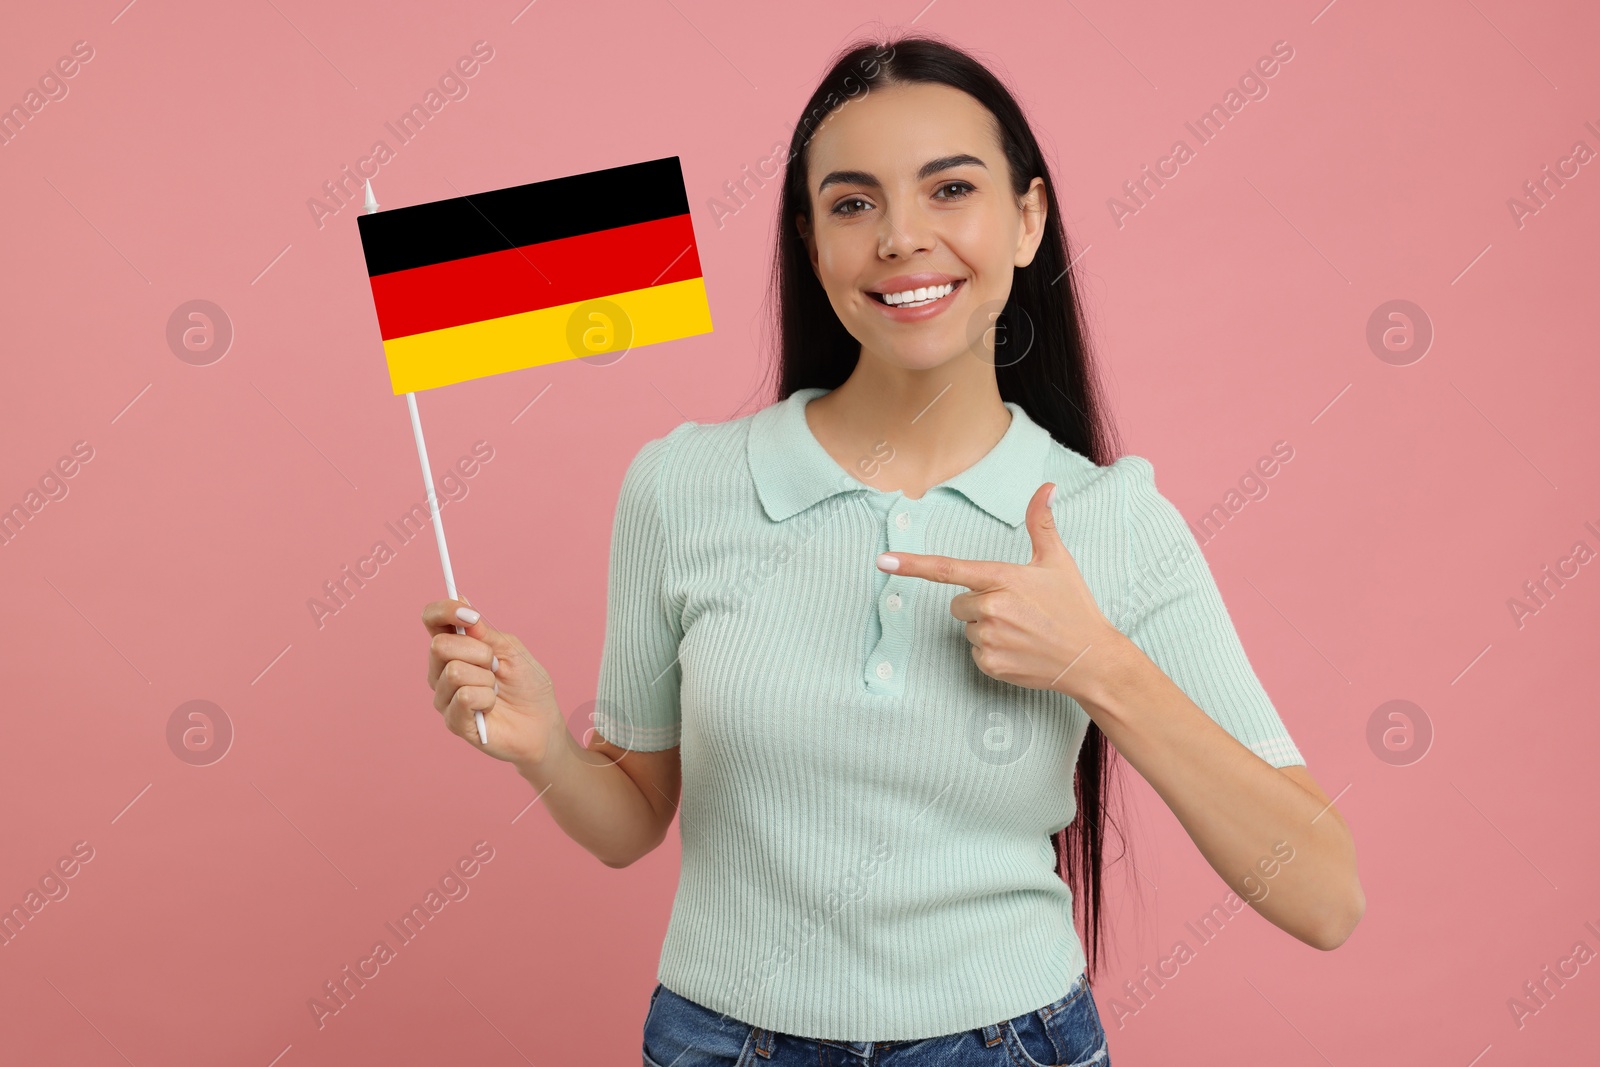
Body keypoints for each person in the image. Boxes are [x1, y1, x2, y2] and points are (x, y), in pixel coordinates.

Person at [422, 33, 1364, 1067]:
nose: (900, 237)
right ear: (811, 239)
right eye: (853, 202)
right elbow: (630, 820)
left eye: (949, 188)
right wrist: (544, 750)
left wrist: (1096, 664)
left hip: (1010, 1045)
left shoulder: (1112, 519)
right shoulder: (680, 485)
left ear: (1027, 218)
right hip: (718, 1040)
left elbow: (1323, 896)